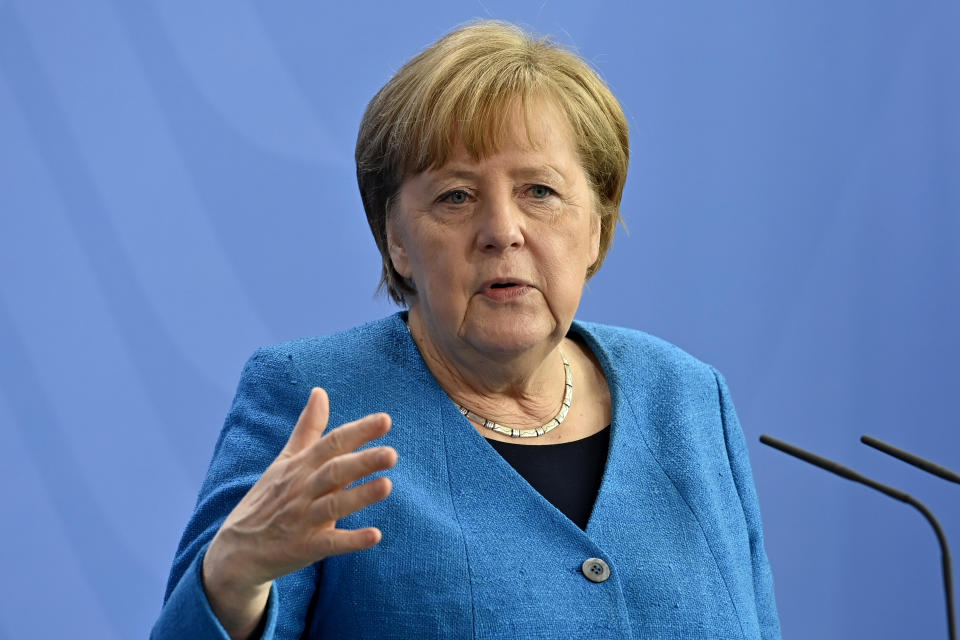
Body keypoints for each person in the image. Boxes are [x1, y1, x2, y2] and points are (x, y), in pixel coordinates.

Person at [152, 20, 780, 640]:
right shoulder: (316, 401)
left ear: (596, 225)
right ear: (397, 239)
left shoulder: (691, 398)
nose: (502, 230)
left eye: (539, 191)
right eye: (455, 197)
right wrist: (233, 574)